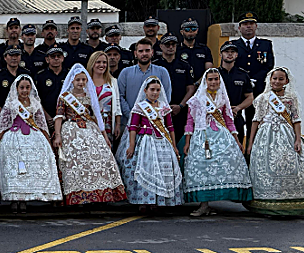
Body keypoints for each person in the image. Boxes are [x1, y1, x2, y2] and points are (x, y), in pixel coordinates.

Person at [246, 67, 304, 216]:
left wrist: (298, 139)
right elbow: (255, 121)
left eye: (280, 79)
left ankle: (289, 202)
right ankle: (268, 202)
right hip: (266, 137)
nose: (277, 81)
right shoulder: (263, 98)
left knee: (287, 165)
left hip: (287, 135)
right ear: (269, 80)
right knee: (267, 167)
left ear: (286, 81)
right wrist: (250, 142)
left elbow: (296, 120)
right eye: (274, 78)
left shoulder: (292, 99)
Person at [52, 65, 127, 206]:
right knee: (75, 161)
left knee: (100, 157)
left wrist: (104, 135)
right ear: (71, 81)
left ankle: (98, 194)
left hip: (89, 128)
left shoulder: (89, 96)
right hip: (71, 130)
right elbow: (59, 116)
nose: (81, 82)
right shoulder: (64, 97)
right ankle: (78, 194)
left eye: (83, 80)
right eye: (78, 80)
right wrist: (58, 135)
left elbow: (97, 116)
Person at [182, 68, 252, 216]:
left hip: (221, 134)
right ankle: (203, 204)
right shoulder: (196, 99)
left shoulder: (222, 98)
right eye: (210, 79)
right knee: (202, 168)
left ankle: (215, 200)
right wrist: (187, 142)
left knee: (224, 165)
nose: (213, 82)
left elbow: (228, 120)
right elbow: (189, 121)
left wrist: (236, 139)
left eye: (216, 79)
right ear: (205, 81)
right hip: (202, 135)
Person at [0, 75, 63, 211]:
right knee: (15, 168)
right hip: (14, 137)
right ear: (16, 88)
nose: (24, 90)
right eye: (22, 88)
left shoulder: (35, 103)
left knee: (31, 167)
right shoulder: (11, 103)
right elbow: (3, 122)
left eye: (27, 87)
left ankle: (26, 198)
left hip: (34, 136)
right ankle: (14, 198)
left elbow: (41, 123)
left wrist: (47, 140)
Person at [120, 77, 183, 208]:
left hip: (163, 143)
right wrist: (131, 145)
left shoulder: (164, 107)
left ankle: (158, 201)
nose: (155, 93)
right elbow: (133, 127)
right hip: (146, 142)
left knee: (161, 171)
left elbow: (170, 127)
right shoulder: (140, 107)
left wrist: (174, 145)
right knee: (147, 169)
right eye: (152, 89)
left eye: (157, 90)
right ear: (145, 91)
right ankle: (144, 201)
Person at [228, 12, 275, 141]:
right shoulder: (233, 45)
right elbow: (232, 65)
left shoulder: (265, 44)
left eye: (251, 24)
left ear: (256, 26)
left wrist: (255, 79)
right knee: (236, 119)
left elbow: (269, 65)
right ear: (239, 27)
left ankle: (251, 150)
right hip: (238, 88)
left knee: (254, 120)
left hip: (258, 88)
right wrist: (245, 80)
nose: (248, 26)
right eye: (245, 24)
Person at [154, 33, 197, 139]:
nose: (171, 47)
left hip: (180, 110)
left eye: (173, 44)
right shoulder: (155, 65)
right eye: (167, 44)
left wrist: (181, 105)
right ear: (161, 46)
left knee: (178, 139)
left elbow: (190, 88)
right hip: (159, 110)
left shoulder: (185, 65)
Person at [117, 38, 172, 120]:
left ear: (152, 52)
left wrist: (155, 114)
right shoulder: (125, 72)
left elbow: (166, 97)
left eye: (147, 50)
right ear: (135, 53)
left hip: (155, 121)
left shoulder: (162, 72)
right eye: (141, 51)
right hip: (129, 120)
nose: (144, 54)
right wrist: (131, 114)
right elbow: (119, 96)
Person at [217, 42, 256, 146]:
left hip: (236, 117)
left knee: (237, 149)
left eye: (232, 52)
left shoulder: (243, 75)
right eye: (226, 52)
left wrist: (237, 108)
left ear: (236, 55)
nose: (229, 54)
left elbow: (250, 97)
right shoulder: (214, 74)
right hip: (217, 118)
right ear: (220, 54)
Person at [87, 51, 122, 147]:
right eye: (98, 62)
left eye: (104, 62)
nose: (102, 65)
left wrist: (118, 124)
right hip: (91, 122)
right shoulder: (85, 82)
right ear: (92, 63)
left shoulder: (113, 81)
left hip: (108, 123)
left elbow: (117, 104)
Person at [0, 47, 22, 127]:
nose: (14, 58)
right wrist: (4, 114)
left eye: (17, 55)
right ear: (5, 58)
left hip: (23, 117)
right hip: (0, 118)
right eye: (11, 55)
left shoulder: (26, 74)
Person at [34, 46, 69, 120]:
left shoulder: (69, 75)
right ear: (47, 59)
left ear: (62, 58)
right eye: (53, 56)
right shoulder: (40, 76)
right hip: (45, 117)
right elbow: (36, 99)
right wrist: (46, 117)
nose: (56, 58)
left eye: (58, 56)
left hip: (66, 117)